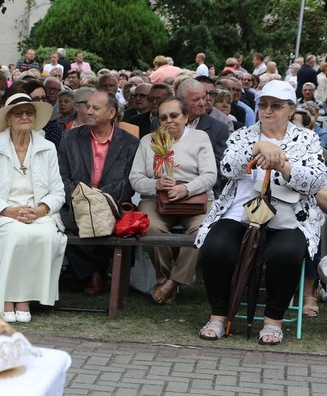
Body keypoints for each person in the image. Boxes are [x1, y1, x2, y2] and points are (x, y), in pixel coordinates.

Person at [195, 80, 327, 344]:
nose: (267, 111)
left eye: (275, 106)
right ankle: (219, 316)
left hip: (290, 214)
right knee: (216, 247)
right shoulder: (243, 134)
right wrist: (256, 150)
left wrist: (284, 166)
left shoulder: (307, 138)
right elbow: (228, 169)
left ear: (291, 109)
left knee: (286, 253)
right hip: (240, 212)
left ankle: (273, 320)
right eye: (263, 104)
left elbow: (316, 180)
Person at [0, 93, 66, 321]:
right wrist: (8, 211)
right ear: (8, 119)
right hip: (0, 212)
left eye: (29, 112)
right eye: (18, 113)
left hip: (37, 212)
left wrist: (40, 210)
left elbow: (58, 192)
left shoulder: (47, 147)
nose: (24, 116)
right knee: (15, 234)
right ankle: (6, 299)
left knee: (46, 235)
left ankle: (24, 300)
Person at [129, 97, 217, 304]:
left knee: (203, 229)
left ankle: (170, 284)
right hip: (156, 199)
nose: (169, 121)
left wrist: (186, 189)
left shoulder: (199, 137)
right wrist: (155, 185)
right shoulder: (148, 140)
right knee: (150, 227)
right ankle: (165, 279)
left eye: (174, 115)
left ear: (186, 117)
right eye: (163, 117)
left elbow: (210, 175)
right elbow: (135, 178)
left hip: (195, 198)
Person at [58, 91, 139, 294]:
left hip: (113, 203)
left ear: (111, 112)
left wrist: (99, 199)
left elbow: (129, 182)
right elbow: (61, 176)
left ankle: (85, 274)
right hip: (76, 202)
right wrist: (82, 199)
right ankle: (91, 273)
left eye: (95, 108)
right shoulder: (70, 138)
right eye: (88, 107)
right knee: (58, 222)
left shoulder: (130, 143)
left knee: (106, 224)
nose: (89, 111)